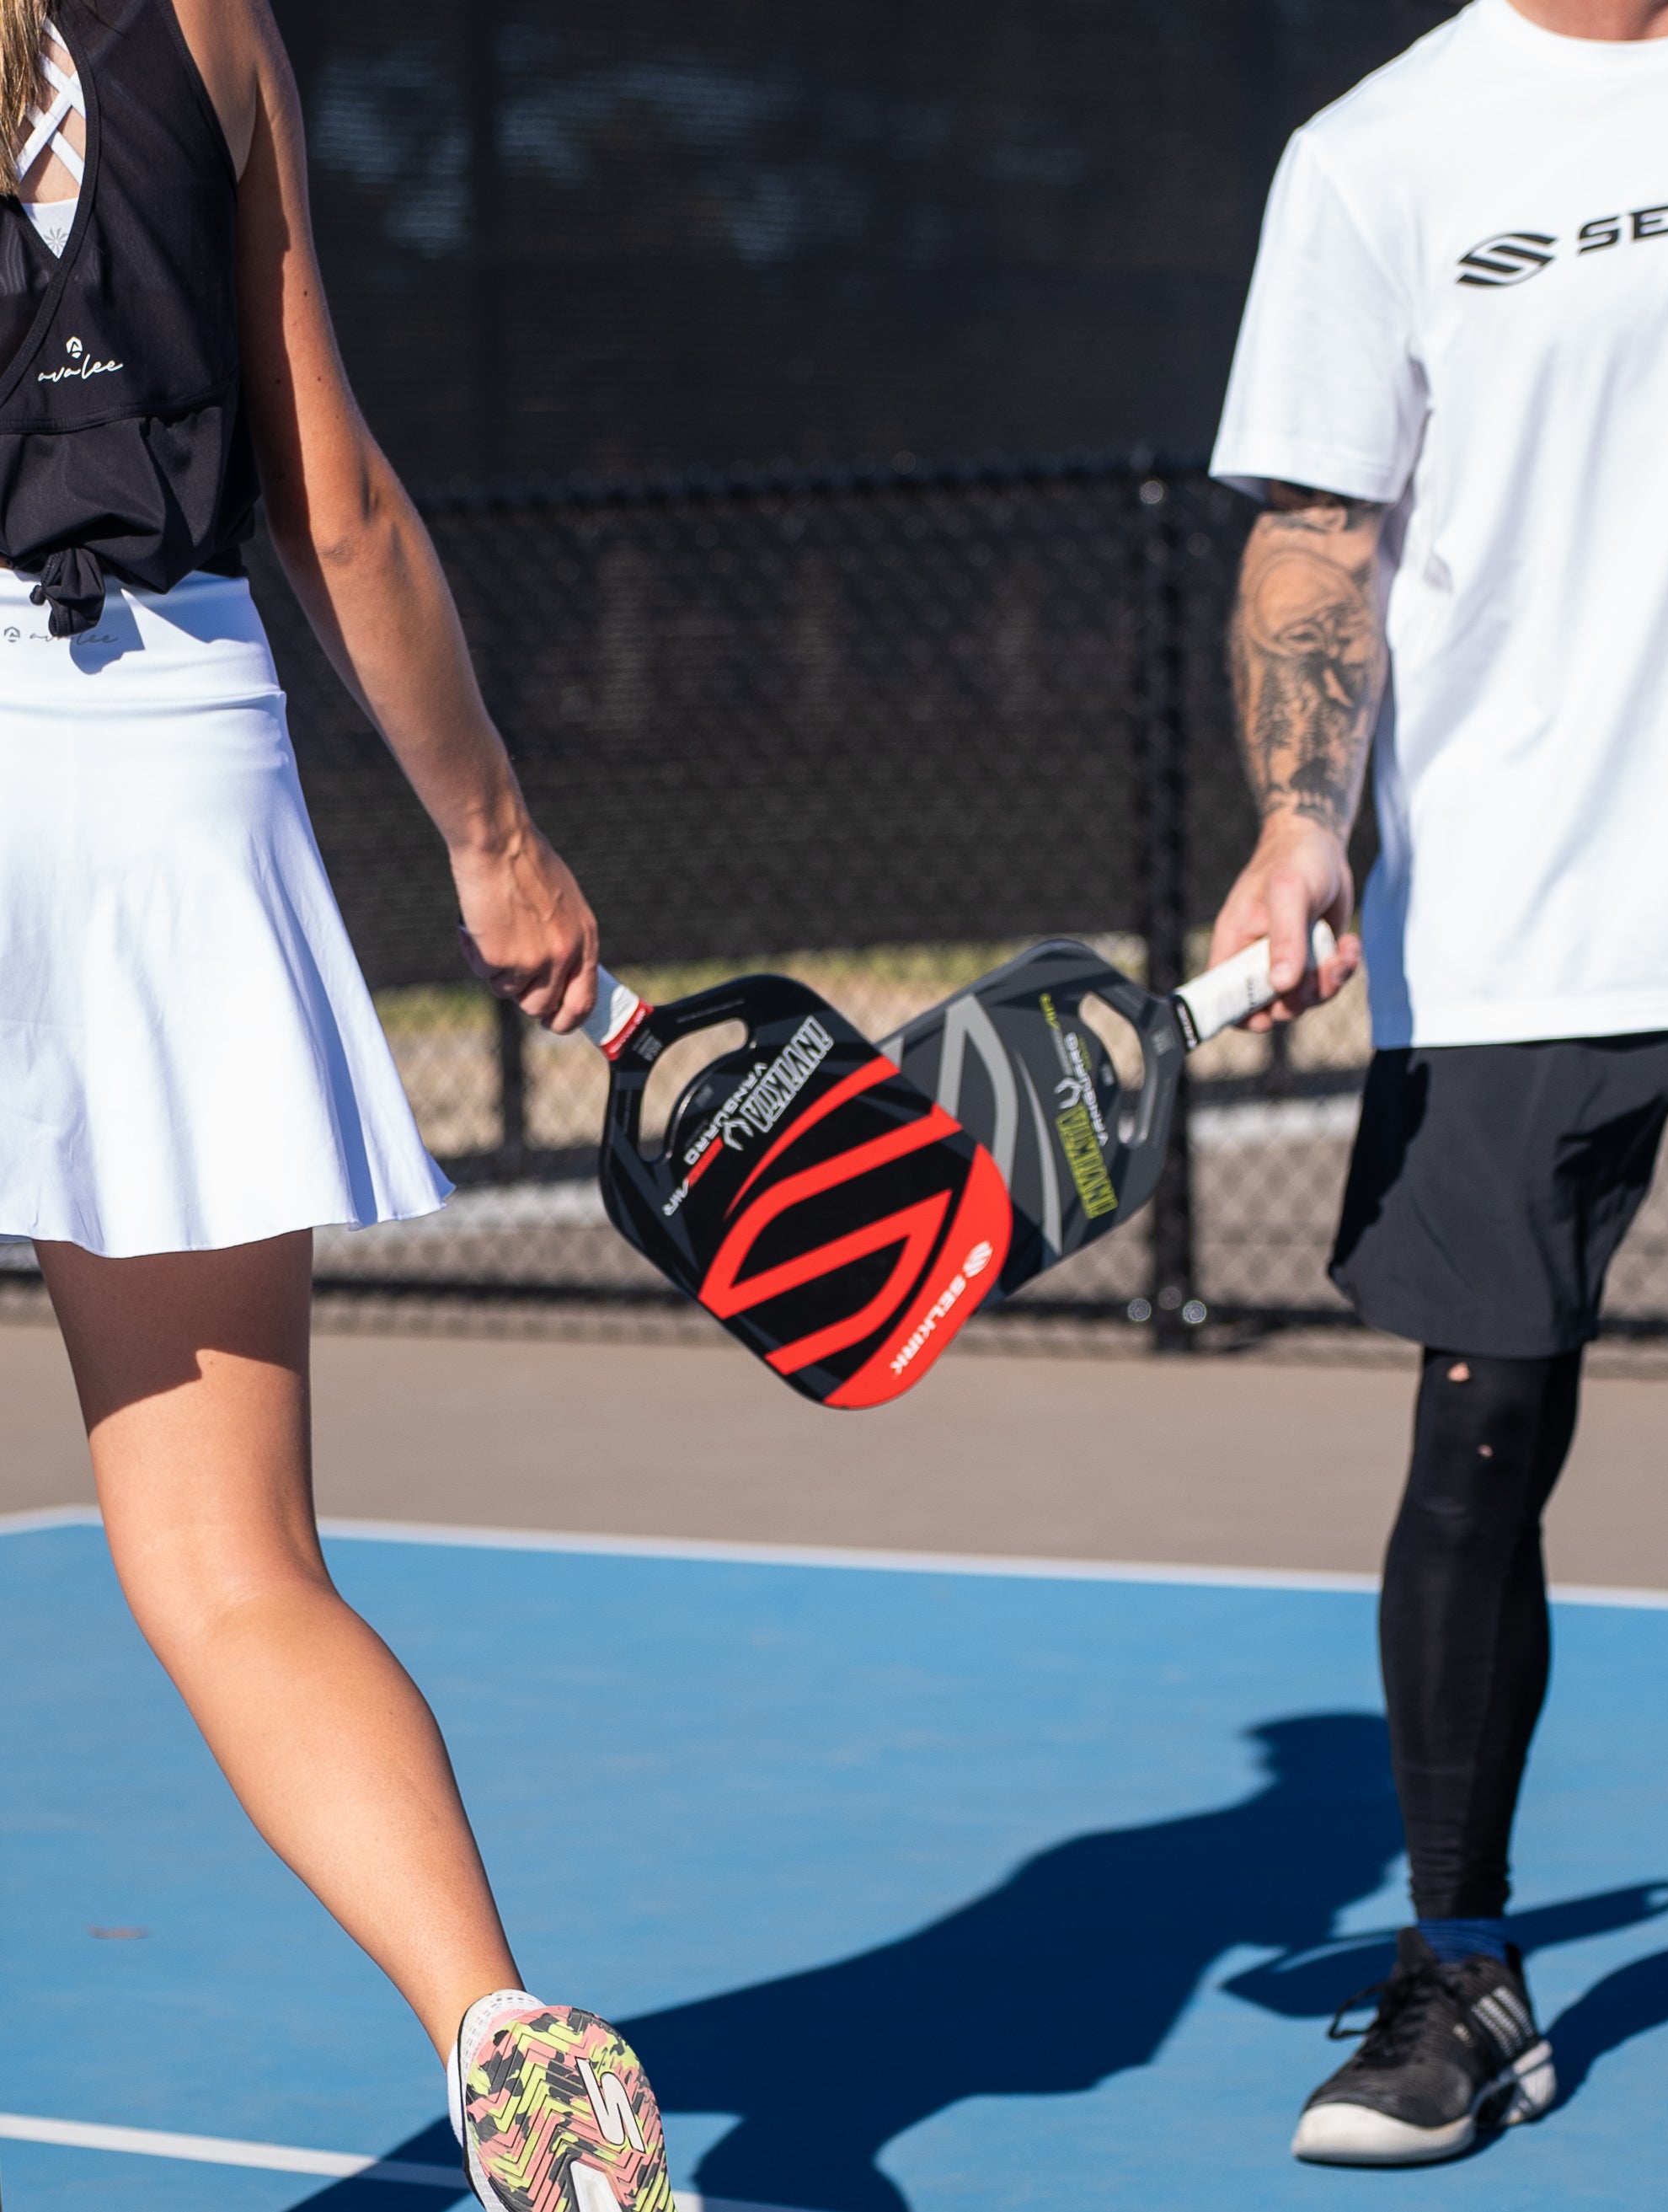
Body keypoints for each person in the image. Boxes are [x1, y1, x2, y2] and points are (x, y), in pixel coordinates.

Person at [0, 3, 676, 2207]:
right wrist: (492, 837)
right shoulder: (209, 12)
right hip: (166, 763)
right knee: (229, 1564)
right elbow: (343, 507)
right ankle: (508, 2039)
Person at [1206, 0, 1668, 2167]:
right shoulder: (1383, 152)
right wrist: (1298, 813)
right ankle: (1460, 1968)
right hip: (1520, 924)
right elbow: (1315, 541)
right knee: (1479, 1441)